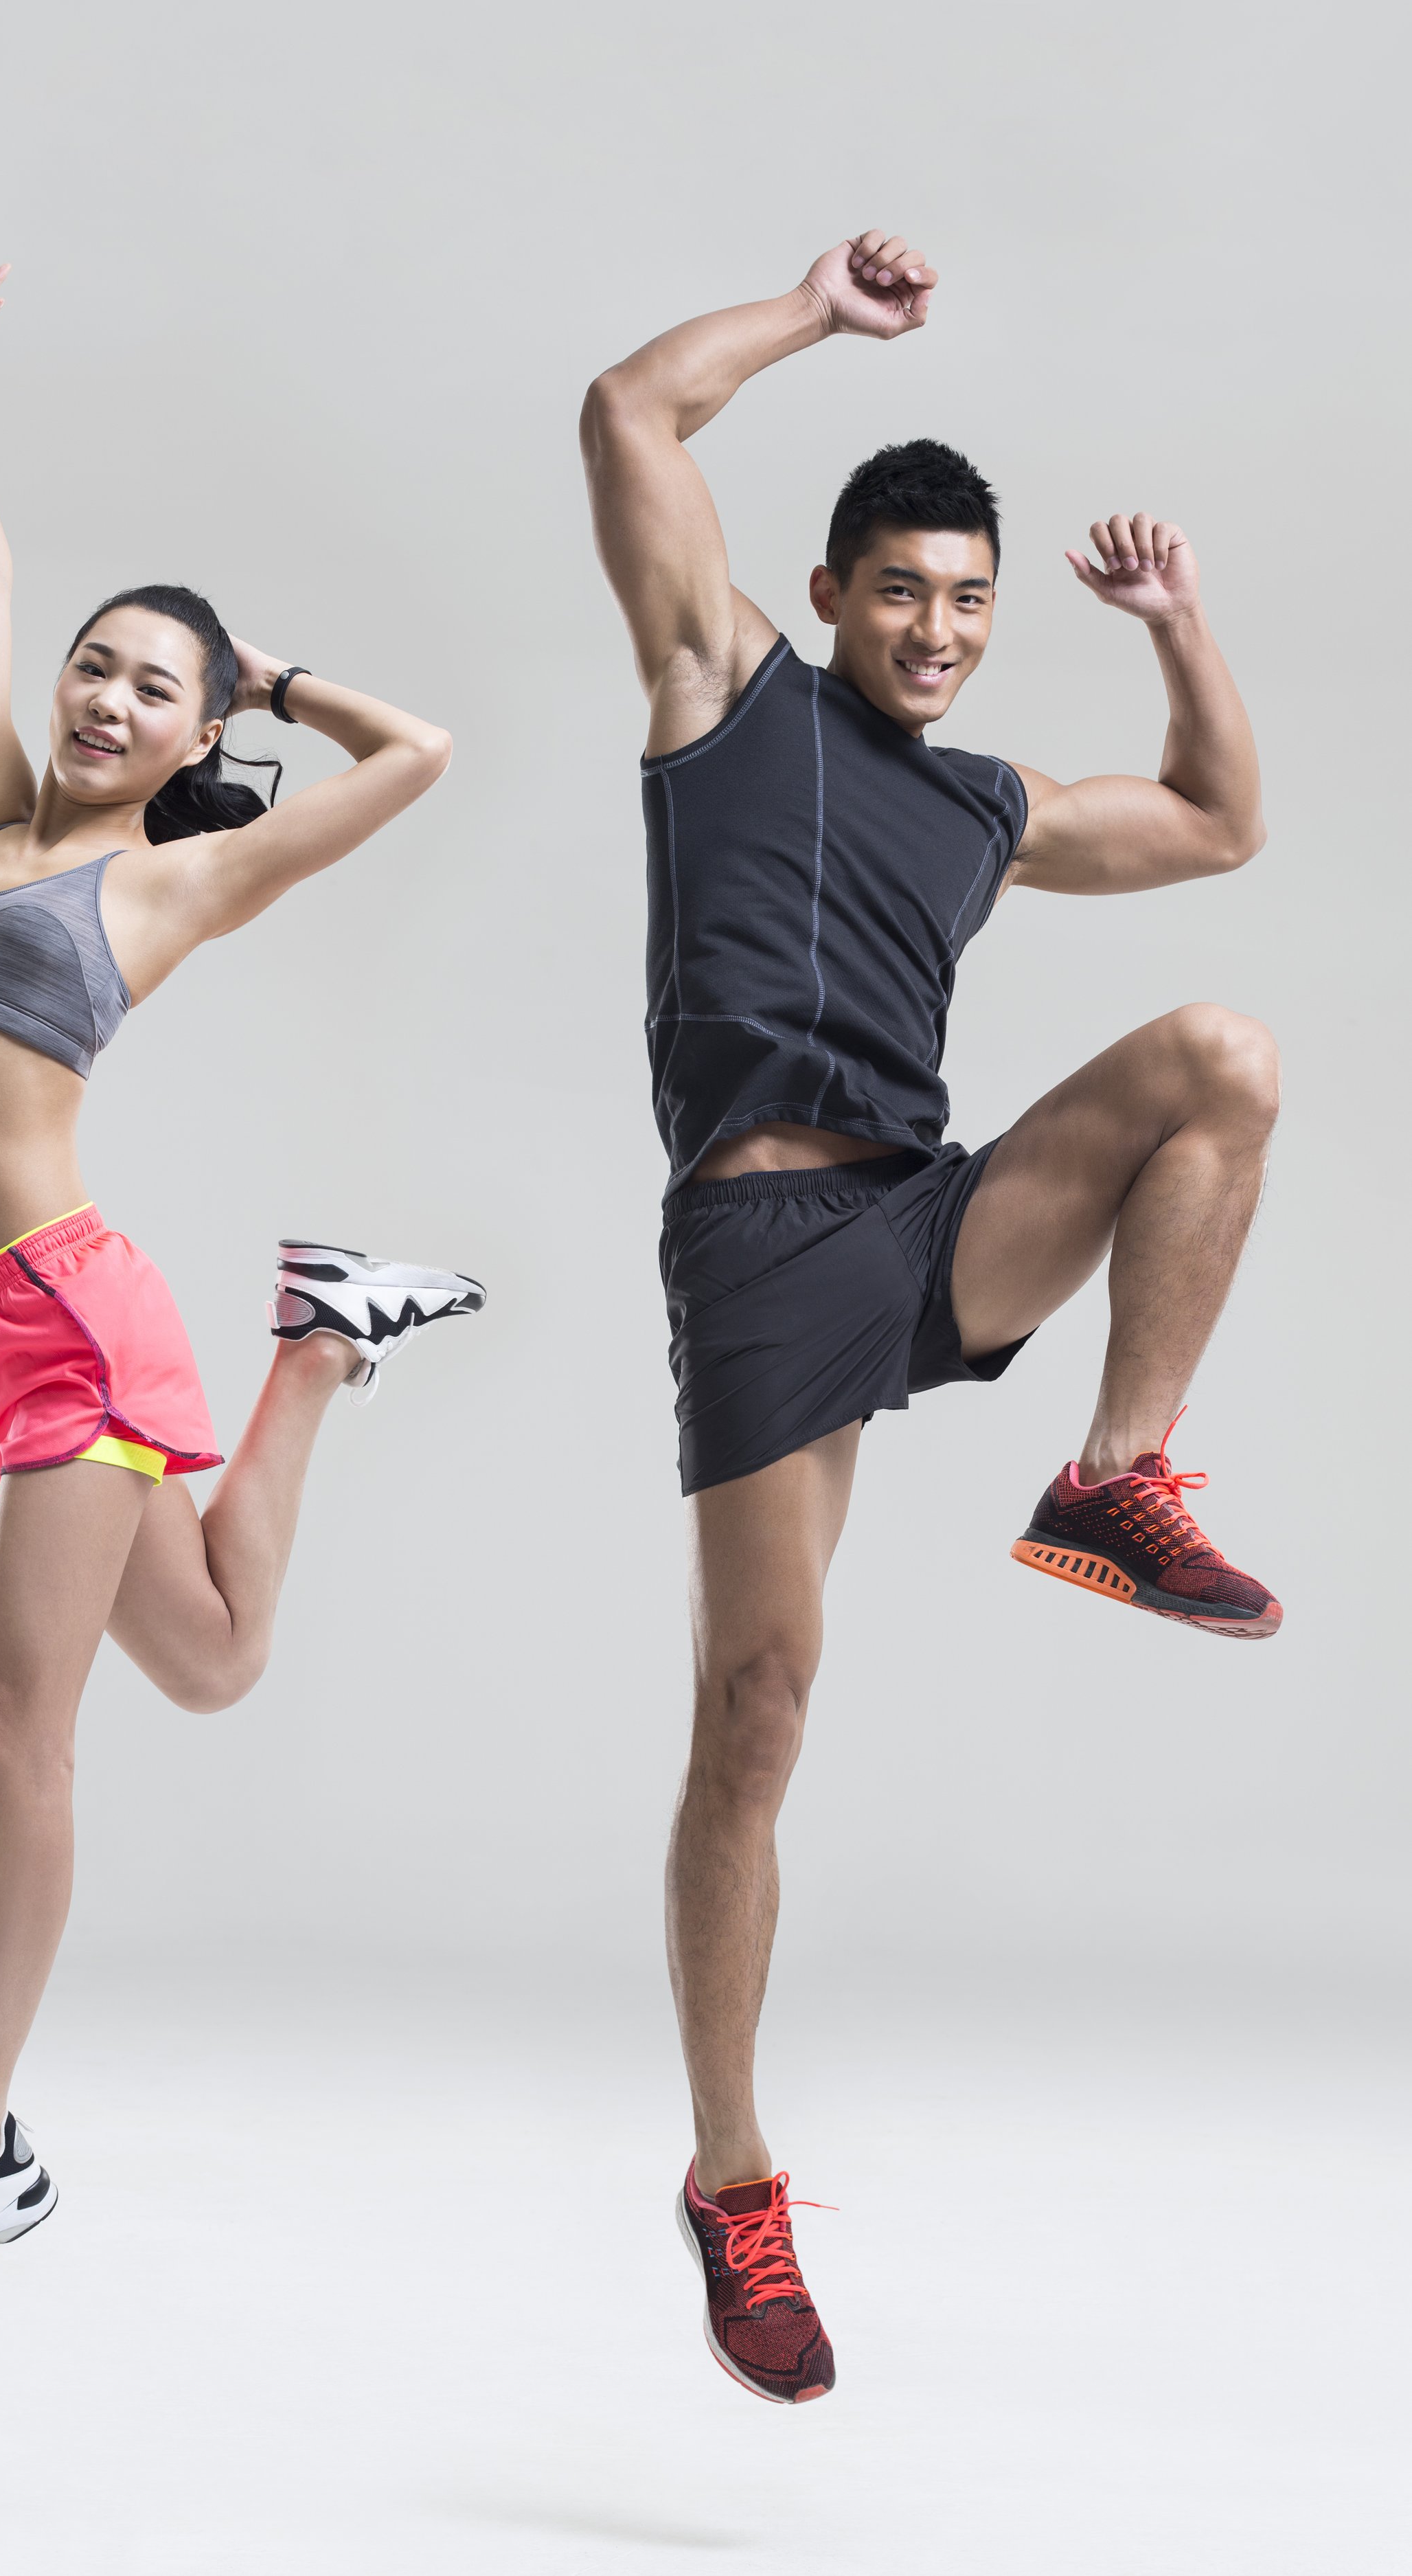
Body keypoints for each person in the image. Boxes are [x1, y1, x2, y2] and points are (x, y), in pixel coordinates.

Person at [580, 229, 1280, 2404]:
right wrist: (815, 314)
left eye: (968, 601)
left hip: (927, 1218)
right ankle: (730, 2184)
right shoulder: (727, 693)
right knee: (758, 1714)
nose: (939, 632)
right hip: (759, 1248)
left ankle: (1112, 1477)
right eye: (903, 589)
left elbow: (1216, 824)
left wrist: (1174, 628)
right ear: (830, 587)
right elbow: (625, 413)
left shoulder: (987, 807)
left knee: (1222, 1059)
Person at [0, 264, 483, 2325]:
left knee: (16, 1730)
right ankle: (321, 1336)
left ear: (193, 739)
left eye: (149, 691)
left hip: (73, 1318)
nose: (104, 699)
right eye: (95, 670)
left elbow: (422, 749)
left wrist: (262, 669)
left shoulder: (175, 876)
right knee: (208, 1664)